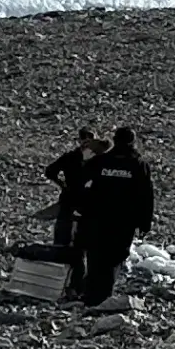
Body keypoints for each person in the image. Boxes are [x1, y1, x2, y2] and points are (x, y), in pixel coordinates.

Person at [70, 126, 157, 305]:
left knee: (96, 255)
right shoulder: (138, 164)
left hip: (96, 217)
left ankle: (91, 295)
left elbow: (80, 183)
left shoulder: (101, 161)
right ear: (133, 142)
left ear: (115, 141)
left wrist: (79, 208)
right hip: (123, 221)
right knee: (114, 257)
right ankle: (103, 296)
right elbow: (146, 196)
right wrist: (144, 223)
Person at [45, 125, 105, 267]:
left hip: (75, 199)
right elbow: (50, 171)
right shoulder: (94, 159)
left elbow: (50, 171)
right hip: (81, 201)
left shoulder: (74, 157)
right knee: (68, 236)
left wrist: (63, 185)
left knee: (68, 237)